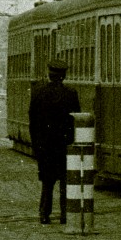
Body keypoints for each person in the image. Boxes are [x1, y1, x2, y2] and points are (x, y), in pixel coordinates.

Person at [29, 58, 78, 224]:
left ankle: (44, 213)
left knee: (47, 183)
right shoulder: (71, 94)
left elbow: (33, 122)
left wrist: (36, 145)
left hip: (45, 146)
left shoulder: (38, 93)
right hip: (64, 146)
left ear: (49, 74)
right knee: (65, 182)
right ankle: (65, 214)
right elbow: (75, 121)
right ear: (63, 76)